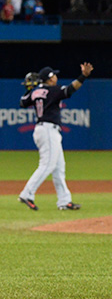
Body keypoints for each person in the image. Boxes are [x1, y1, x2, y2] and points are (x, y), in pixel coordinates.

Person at [18, 63, 94, 211]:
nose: (56, 77)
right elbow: (72, 88)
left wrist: (28, 88)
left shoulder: (35, 92)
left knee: (59, 168)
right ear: (50, 78)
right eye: (54, 75)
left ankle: (64, 201)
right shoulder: (52, 90)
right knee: (47, 165)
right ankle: (27, 194)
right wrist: (83, 76)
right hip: (48, 130)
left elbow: (22, 102)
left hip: (43, 129)